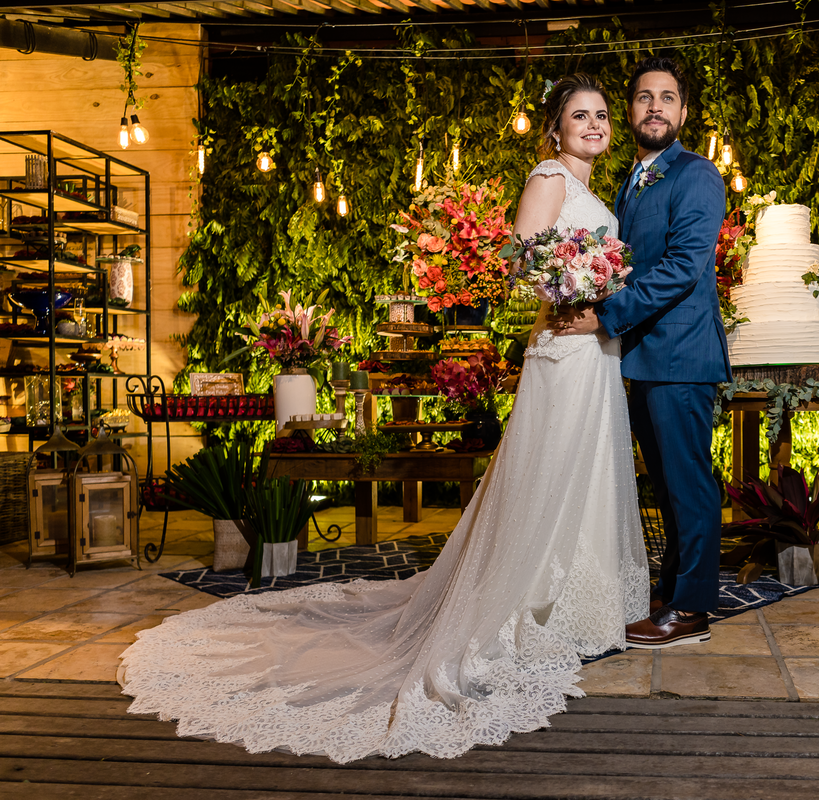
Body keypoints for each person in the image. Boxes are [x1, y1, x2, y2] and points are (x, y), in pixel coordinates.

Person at [117, 73, 649, 763]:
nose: (596, 124)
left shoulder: (599, 194)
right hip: (563, 351)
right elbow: (522, 261)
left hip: (596, 353)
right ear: (555, 127)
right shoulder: (547, 174)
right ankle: (526, 608)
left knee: (585, 475)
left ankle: (581, 607)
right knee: (547, 476)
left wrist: (605, 288)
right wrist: (574, 287)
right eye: (581, 115)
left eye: (603, 115)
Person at [551, 57, 730, 649]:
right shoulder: (632, 179)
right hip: (642, 357)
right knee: (667, 485)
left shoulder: (696, 175)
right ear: (631, 110)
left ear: (683, 111)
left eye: (668, 97)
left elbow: (682, 269)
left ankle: (692, 609)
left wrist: (603, 317)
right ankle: (675, 588)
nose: (655, 106)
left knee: (689, 484)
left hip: (680, 355)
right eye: (644, 97)